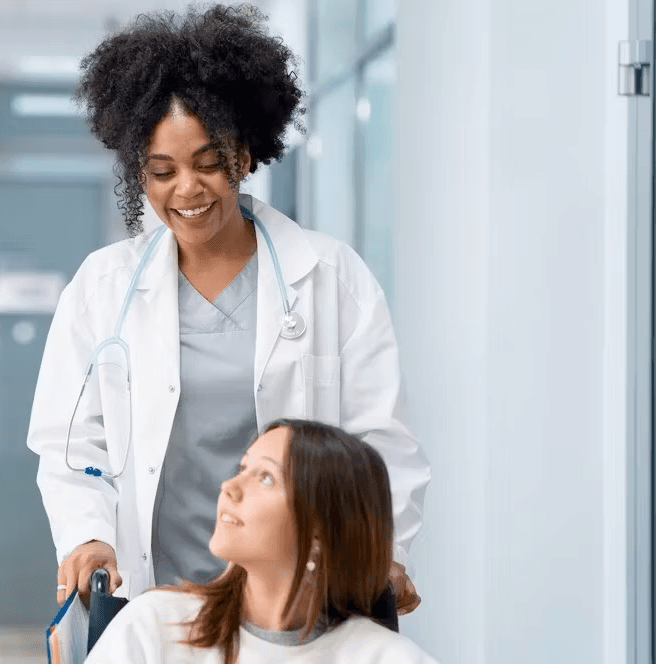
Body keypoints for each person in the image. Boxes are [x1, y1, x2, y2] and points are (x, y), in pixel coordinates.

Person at [26, 4, 430, 613]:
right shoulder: (101, 287)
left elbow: (379, 441)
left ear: (244, 156)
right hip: (154, 593)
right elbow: (71, 445)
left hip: (298, 594)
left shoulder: (330, 276)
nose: (186, 190)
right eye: (161, 172)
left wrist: (385, 551)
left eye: (208, 164)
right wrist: (87, 535)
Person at [84, 419, 439, 663]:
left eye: (266, 478)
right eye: (242, 469)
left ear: (320, 532)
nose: (229, 487)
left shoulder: (387, 657)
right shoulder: (152, 628)